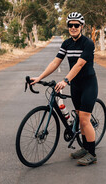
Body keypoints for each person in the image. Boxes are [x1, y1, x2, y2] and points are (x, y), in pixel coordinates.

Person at [30, 12, 98, 166]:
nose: (73, 28)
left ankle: (92, 154)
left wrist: (66, 80)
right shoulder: (66, 44)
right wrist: (39, 78)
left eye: (76, 25)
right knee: (79, 117)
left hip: (88, 84)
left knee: (85, 120)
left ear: (81, 26)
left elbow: (79, 64)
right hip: (76, 86)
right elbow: (55, 62)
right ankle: (85, 148)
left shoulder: (88, 43)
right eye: (70, 25)